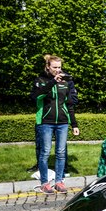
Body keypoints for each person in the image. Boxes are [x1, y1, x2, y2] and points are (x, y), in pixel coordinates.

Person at [31, 54, 80, 194]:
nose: (58, 70)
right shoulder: (40, 80)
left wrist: (74, 125)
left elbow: (70, 104)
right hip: (45, 122)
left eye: (60, 67)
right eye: (55, 67)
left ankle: (59, 181)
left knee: (61, 152)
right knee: (45, 152)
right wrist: (53, 82)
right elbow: (36, 96)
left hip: (63, 122)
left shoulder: (67, 82)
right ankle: (44, 183)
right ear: (48, 66)